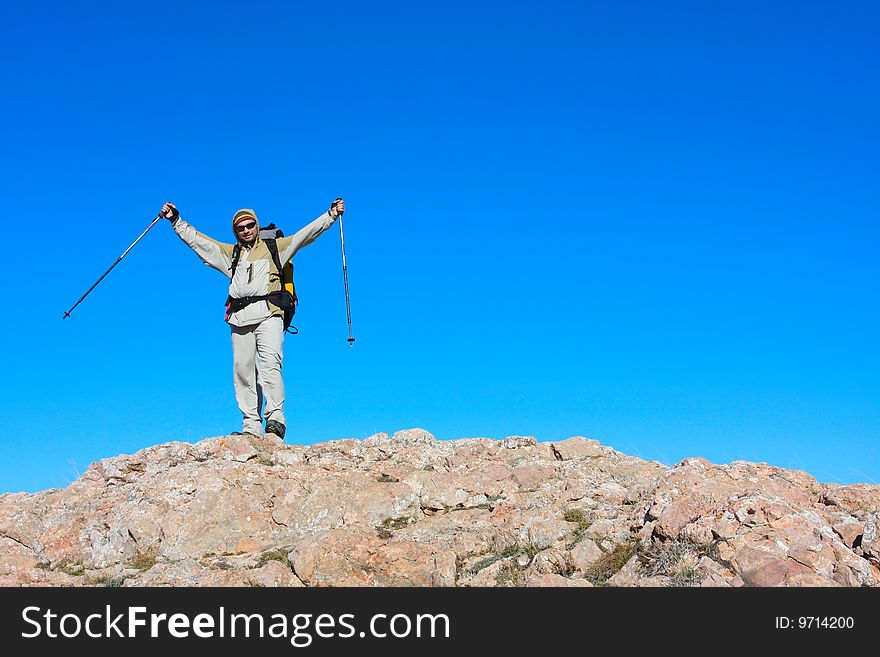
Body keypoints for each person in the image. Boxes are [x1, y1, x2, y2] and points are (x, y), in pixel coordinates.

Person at [159, 198, 345, 439]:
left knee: (270, 365)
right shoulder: (230, 254)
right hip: (239, 318)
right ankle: (251, 425)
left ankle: (275, 419)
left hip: (270, 314)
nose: (246, 230)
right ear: (235, 231)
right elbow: (199, 242)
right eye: (241, 228)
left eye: (250, 225)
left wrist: (330, 215)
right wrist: (176, 220)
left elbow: (305, 235)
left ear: (257, 226)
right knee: (243, 371)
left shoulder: (275, 248)